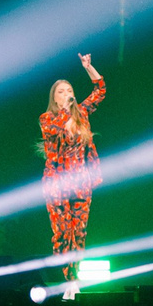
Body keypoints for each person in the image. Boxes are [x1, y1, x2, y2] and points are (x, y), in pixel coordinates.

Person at [40, 54, 106, 270]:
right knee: (62, 233)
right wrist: (67, 111)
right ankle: (64, 275)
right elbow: (56, 129)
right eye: (61, 92)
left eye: (69, 91)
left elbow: (100, 90)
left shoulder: (82, 114)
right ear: (54, 98)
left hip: (81, 182)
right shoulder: (47, 119)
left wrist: (88, 67)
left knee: (78, 233)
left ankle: (74, 277)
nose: (67, 94)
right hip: (57, 183)